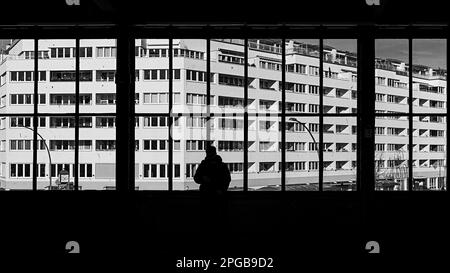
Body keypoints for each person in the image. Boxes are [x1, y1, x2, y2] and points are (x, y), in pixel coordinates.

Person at [194, 145, 231, 235]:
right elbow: (227, 179)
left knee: (206, 219)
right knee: (217, 219)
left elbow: (196, 178)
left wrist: (204, 179)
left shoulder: (203, 165)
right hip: (217, 196)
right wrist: (221, 190)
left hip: (206, 196)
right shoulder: (221, 165)